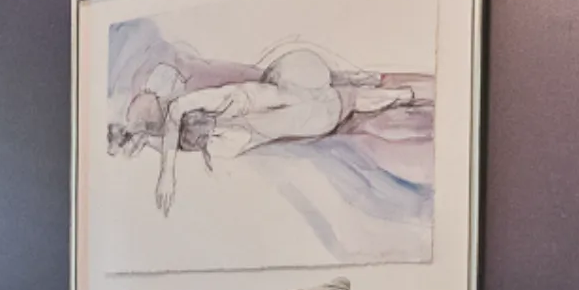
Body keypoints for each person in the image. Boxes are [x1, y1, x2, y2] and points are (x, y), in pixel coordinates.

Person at [107, 48, 430, 216]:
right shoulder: (226, 134)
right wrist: (150, 145)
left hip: (306, 99)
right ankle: (392, 94)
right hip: (310, 109)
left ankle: (392, 93)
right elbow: (179, 124)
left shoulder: (230, 103)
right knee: (347, 99)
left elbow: (178, 113)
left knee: (345, 97)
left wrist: (167, 173)